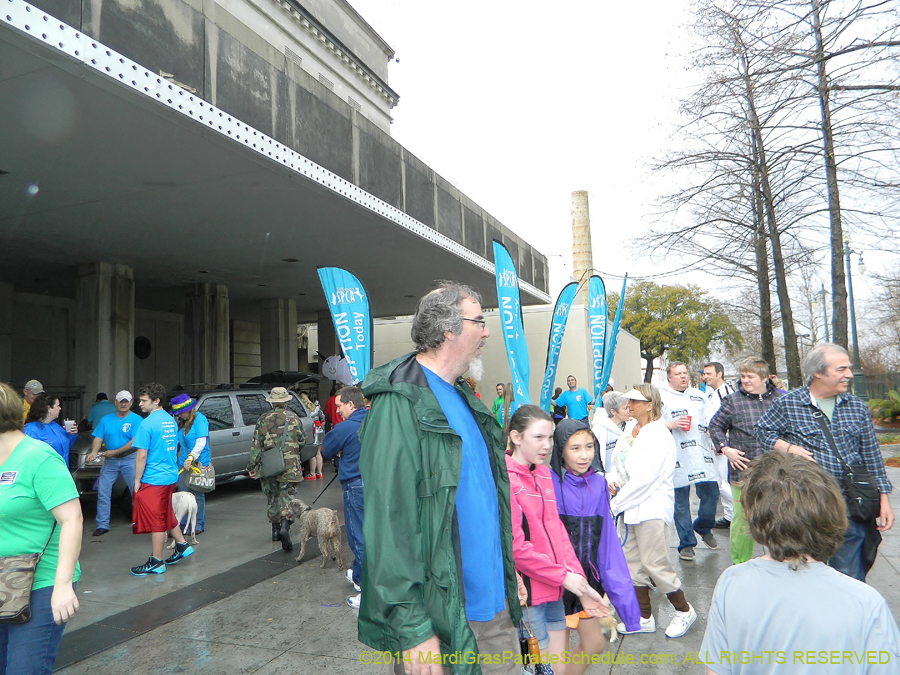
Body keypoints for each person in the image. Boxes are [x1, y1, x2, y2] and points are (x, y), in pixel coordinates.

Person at [358, 282, 522, 675]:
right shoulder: (400, 403)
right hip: (445, 620)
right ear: (448, 329)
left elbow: (485, 500)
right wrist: (413, 627)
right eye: (479, 321)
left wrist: (506, 571)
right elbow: (389, 522)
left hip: (495, 607)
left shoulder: (464, 398)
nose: (486, 331)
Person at [699, 452, 900, 674]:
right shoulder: (867, 603)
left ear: (753, 515)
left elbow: (715, 670)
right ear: (832, 511)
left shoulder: (731, 582)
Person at [755, 343, 893, 581]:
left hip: (849, 503)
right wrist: (789, 448)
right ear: (818, 373)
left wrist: (883, 500)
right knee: (802, 571)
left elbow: (871, 456)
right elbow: (762, 431)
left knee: (848, 575)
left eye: (848, 368)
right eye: (841, 369)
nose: (849, 374)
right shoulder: (788, 404)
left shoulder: (857, 408)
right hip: (804, 504)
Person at [505, 406, 607, 670]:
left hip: (554, 592)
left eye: (550, 437)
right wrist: (564, 577)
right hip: (528, 599)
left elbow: (558, 533)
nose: (547, 445)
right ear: (516, 437)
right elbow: (516, 548)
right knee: (538, 669)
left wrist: (581, 586)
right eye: (539, 437)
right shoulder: (505, 480)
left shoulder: (542, 473)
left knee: (558, 669)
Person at [0, 382, 82, 675]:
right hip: (3, 579)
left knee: (23, 668)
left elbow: (72, 519)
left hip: (40, 582)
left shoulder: (38, 457)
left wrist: (62, 586)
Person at [548, 418, 639, 675]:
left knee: (595, 644)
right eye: (575, 448)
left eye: (589, 447)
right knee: (556, 661)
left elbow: (608, 545)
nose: (584, 455)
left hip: (587, 585)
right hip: (557, 584)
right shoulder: (547, 482)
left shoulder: (598, 485)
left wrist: (627, 606)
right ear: (560, 450)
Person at [608, 385, 698, 639]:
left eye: (635, 401)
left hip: (650, 509)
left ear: (650, 405)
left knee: (655, 564)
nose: (629, 404)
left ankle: (684, 611)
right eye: (628, 400)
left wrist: (614, 505)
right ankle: (644, 617)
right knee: (633, 565)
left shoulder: (658, 435)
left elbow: (645, 480)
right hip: (629, 508)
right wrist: (612, 481)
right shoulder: (630, 429)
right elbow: (617, 463)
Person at [707, 358, 782, 565]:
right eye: (742, 376)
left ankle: (780, 559)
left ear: (764, 378)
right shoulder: (733, 401)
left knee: (778, 516)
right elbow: (715, 426)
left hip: (776, 471)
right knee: (742, 519)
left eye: (750, 376)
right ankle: (740, 563)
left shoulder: (780, 400)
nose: (745, 380)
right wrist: (725, 448)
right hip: (743, 471)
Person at [130, 382, 193, 576]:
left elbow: (141, 455)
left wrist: (137, 480)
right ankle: (182, 545)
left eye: (144, 400)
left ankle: (156, 561)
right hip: (169, 475)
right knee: (164, 511)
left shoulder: (146, 424)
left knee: (156, 519)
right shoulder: (170, 420)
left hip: (153, 477)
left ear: (156, 401)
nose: (140, 404)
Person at [659, 361, 719, 561]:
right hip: (676, 455)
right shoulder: (661, 396)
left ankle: (703, 526)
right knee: (680, 503)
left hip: (702, 454)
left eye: (685, 373)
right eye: (678, 374)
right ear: (669, 377)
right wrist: (670, 424)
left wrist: (714, 434)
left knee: (712, 494)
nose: (683, 376)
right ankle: (686, 543)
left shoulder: (699, 396)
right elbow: (651, 422)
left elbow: (712, 419)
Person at [321, 385, 367, 610]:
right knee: (376, 536)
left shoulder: (344, 428)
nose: (337, 410)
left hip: (355, 486)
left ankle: (368, 593)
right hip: (379, 486)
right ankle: (358, 575)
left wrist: (342, 450)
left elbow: (326, 450)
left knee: (359, 538)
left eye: (339, 406)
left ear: (351, 404)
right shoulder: (378, 421)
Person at [247, 387, 305, 550]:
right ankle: (285, 526)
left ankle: (275, 530)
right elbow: (302, 441)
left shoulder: (262, 419)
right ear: (286, 402)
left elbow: (256, 446)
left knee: (272, 498)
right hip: (290, 467)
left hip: (269, 467)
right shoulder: (293, 418)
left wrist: (252, 466)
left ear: (272, 402)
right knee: (288, 498)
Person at [86, 390, 143, 537]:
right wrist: (94, 452)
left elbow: (134, 442)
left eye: (126, 401)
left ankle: (140, 522)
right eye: (120, 401)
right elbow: (98, 438)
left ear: (131, 403)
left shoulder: (137, 420)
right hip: (110, 461)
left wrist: (114, 452)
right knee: (103, 491)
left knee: (136, 492)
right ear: (115, 403)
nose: (123, 404)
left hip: (130, 458)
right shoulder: (106, 419)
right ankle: (102, 524)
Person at [170, 393, 211, 534]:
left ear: (189, 410)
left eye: (181, 412)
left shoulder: (200, 420)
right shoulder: (181, 423)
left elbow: (201, 442)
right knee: (183, 493)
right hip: (183, 462)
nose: (180, 415)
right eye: (178, 413)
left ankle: (197, 524)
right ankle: (182, 524)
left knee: (197, 494)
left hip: (198, 463)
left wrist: (191, 458)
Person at [702, 362, 736, 529]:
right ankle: (731, 515)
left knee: (724, 482)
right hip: (716, 444)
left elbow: (731, 418)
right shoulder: (713, 393)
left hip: (722, 446)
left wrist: (722, 443)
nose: (706, 377)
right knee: (720, 481)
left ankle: (737, 515)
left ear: (719, 374)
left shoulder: (725, 392)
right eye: (704, 374)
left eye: (709, 373)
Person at [23, 393, 78, 464]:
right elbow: (27, 455)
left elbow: (65, 446)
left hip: (61, 468)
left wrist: (72, 434)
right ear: (49, 408)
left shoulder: (55, 426)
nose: (60, 408)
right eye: (57, 406)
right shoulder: (30, 429)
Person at [590, 391, 634, 473]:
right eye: (625, 408)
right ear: (613, 412)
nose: (629, 411)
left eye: (629, 407)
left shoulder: (631, 426)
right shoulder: (599, 430)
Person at [299, 392, 324, 480]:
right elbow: (323, 418)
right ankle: (319, 473)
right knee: (318, 453)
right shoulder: (316, 408)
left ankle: (312, 473)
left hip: (311, 431)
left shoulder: (303, 410)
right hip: (319, 430)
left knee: (312, 454)